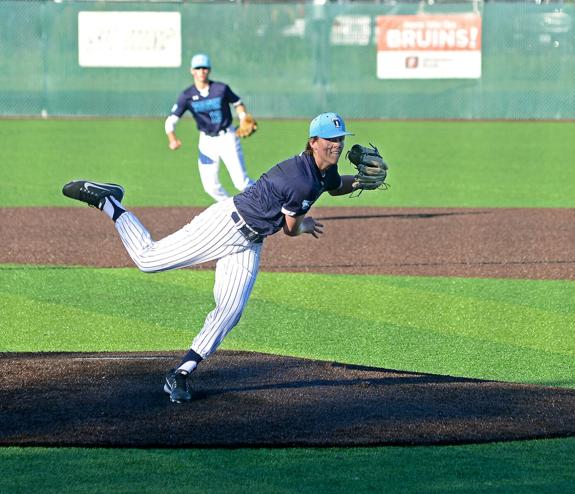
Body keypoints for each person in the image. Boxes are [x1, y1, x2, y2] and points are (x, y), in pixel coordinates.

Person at [62, 112, 387, 404]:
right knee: (148, 260)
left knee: (230, 310)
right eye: (330, 140)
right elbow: (291, 229)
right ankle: (109, 202)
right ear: (313, 142)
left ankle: (182, 372)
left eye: (341, 139)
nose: (337, 145)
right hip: (226, 224)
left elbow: (333, 186)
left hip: (250, 242)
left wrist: (359, 182)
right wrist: (307, 226)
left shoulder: (321, 169)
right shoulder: (299, 179)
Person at [165, 53, 256, 202]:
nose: (201, 71)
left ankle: (270, 201)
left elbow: (237, 103)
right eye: (198, 68)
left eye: (204, 68)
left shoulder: (220, 89)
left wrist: (243, 117)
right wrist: (172, 139)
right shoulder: (187, 95)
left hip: (227, 137)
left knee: (241, 182)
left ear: (209, 70)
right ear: (192, 71)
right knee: (210, 186)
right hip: (206, 141)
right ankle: (232, 209)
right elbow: (170, 122)